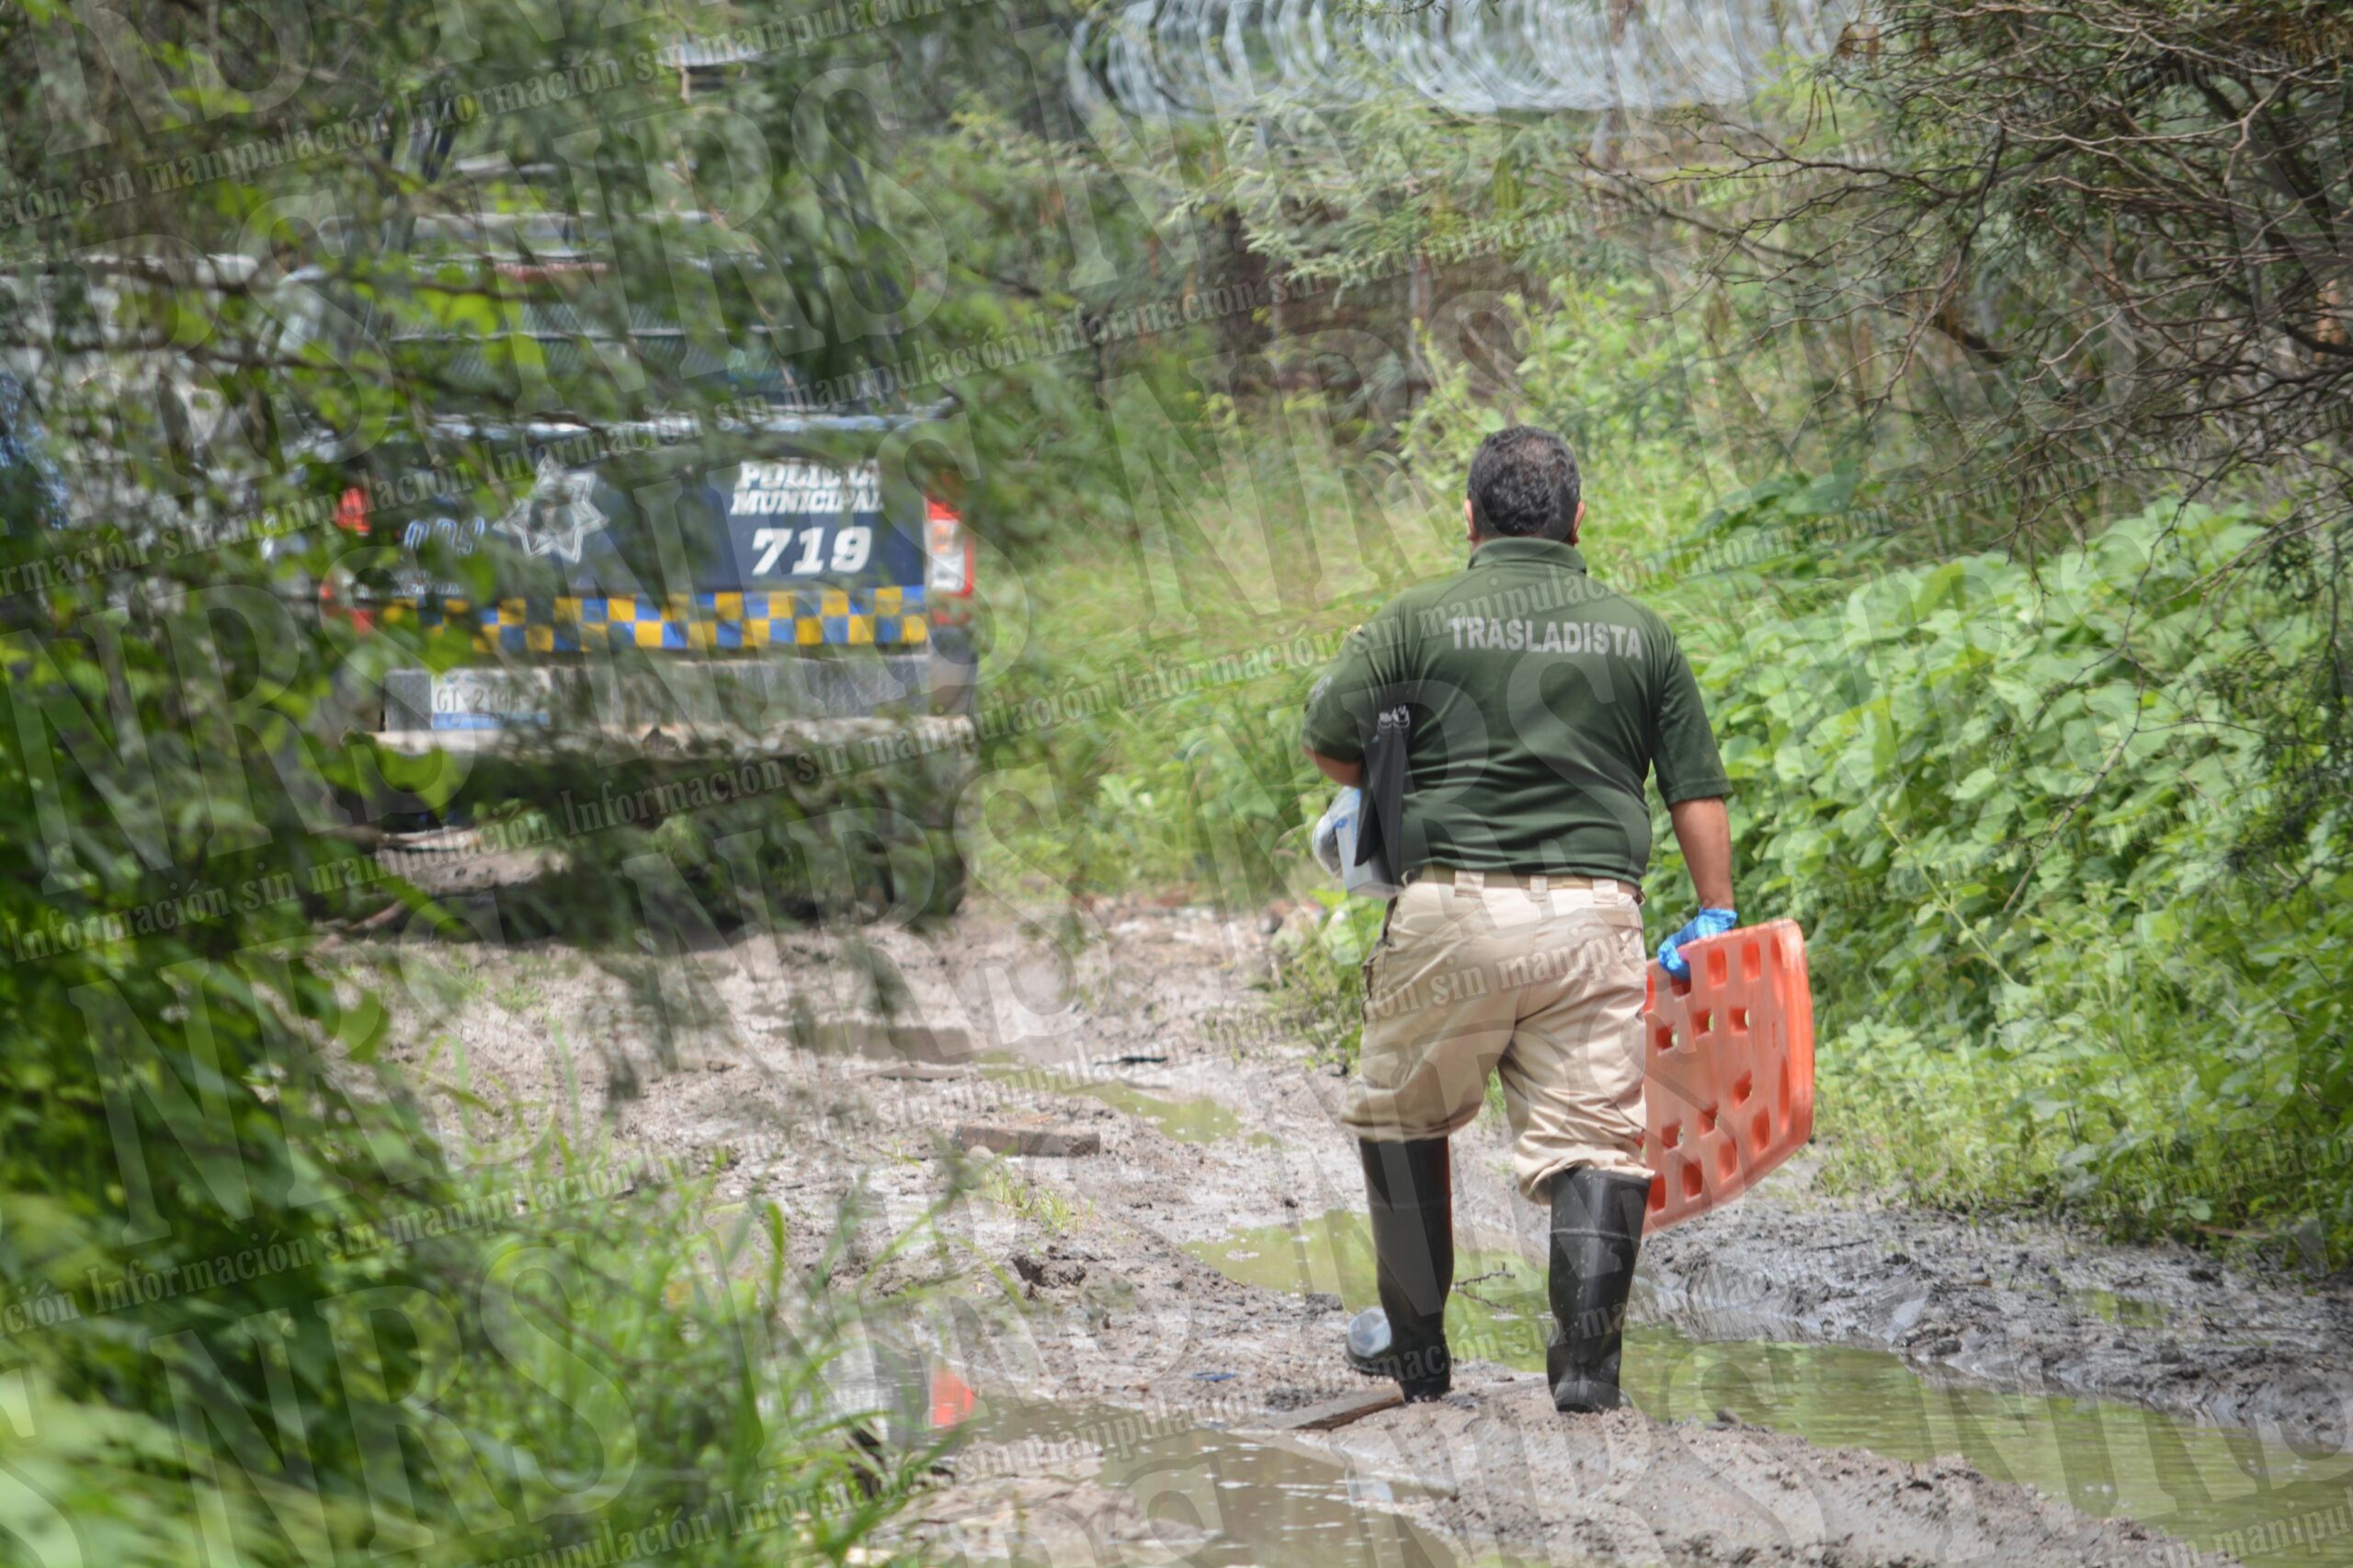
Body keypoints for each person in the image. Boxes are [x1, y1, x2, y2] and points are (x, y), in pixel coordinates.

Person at [1300, 425, 1735, 1413]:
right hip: (1593, 919)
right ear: (1578, 520)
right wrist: (1716, 910)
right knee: (1595, 1142)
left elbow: (1330, 745)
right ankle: (1585, 1371)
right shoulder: (1638, 630)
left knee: (1404, 1114)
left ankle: (1415, 1357)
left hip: (1451, 910)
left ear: (1469, 517)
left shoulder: (1416, 617)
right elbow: (1695, 790)